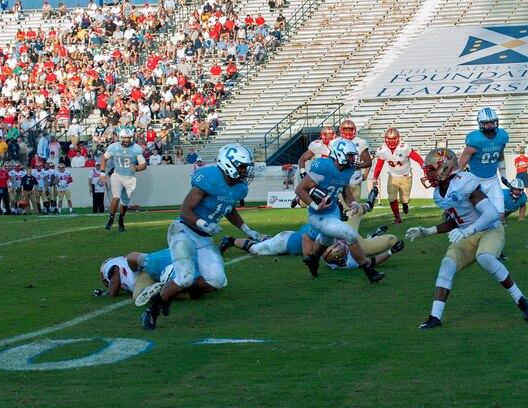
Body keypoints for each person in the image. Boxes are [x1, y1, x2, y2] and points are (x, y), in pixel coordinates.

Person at [405, 148, 528, 328]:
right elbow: (457, 219)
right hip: (468, 234)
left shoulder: (463, 182)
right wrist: (428, 231)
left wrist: (466, 231)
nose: (429, 175)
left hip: (490, 230)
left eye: (432, 170)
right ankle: (435, 317)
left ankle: (520, 299)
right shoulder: (438, 195)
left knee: (485, 257)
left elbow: (491, 214)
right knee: (447, 264)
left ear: (445, 168)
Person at [140, 144, 264, 330]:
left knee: (216, 281)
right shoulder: (209, 178)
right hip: (183, 231)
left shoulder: (239, 187)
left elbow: (228, 208)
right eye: (242, 166)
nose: (245, 171)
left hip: (203, 238)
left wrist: (247, 230)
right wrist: (203, 223)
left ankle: (170, 292)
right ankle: (153, 310)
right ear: (229, 164)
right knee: (186, 278)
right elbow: (185, 211)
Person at [294, 139, 384, 283]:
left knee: (325, 240)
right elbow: (300, 189)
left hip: (333, 212)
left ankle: (312, 259)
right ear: (340, 154)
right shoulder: (324, 166)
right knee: (350, 235)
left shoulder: (346, 170)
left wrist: (353, 203)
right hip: (318, 216)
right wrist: (315, 205)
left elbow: (347, 194)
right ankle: (369, 271)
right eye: (350, 156)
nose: (353, 159)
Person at [220, 222, 405, 272]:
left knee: (266, 243)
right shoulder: (319, 233)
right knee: (257, 249)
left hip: (289, 240)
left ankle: (234, 239)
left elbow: (368, 260)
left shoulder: (340, 259)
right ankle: (232, 240)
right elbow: (307, 250)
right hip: (289, 240)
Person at [456, 107, 509, 220]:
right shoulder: (475, 140)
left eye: (492, 122)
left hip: (493, 179)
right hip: (476, 181)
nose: (490, 125)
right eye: (486, 123)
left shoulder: (502, 137)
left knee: (500, 214)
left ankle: (498, 236)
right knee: (476, 215)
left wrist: (503, 175)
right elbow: (461, 164)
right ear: (480, 124)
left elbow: (500, 156)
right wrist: (457, 180)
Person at [370, 127, 424, 223]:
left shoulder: (404, 148)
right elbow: (379, 165)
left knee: (405, 199)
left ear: (398, 138)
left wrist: (423, 166)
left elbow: (418, 158)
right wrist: (375, 177)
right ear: (385, 139)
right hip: (393, 176)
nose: (391, 141)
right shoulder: (383, 150)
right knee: (391, 197)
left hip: (406, 176)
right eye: (389, 139)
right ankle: (397, 217)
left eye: (393, 139)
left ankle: (404, 204)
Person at [100, 127, 148, 231]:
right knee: (116, 197)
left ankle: (121, 219)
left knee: (125, 203)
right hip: (117, 175)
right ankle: (111, 219)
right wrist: (102, 174)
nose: (128, 140)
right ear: (121, 138)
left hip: (129, 178)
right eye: (125, 138)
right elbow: (104, 158)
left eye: (129, 138)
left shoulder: (136, 149)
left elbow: (144, 165)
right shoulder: (114, 147)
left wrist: (137, 168)